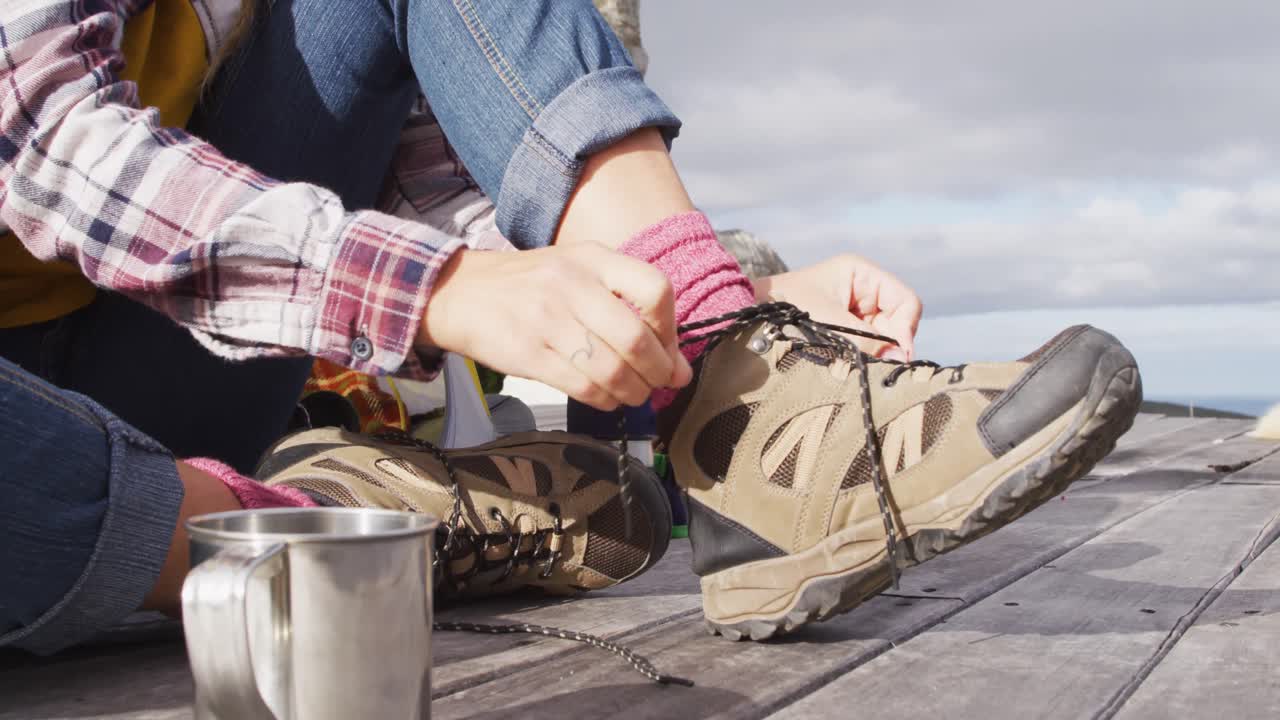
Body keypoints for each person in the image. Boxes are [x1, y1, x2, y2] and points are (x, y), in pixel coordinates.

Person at [0, 0, 1142, 655]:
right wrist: (440, 290)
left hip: (148, 368)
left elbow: (439, 193)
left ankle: (750, 414)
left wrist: (715, 293)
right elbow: (40, 131)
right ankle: (316, 531)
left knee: (709, 323)